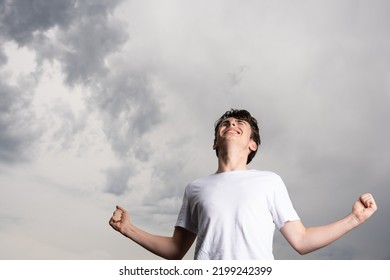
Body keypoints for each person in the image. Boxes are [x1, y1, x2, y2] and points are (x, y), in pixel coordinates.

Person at [109, 109, 377, 260]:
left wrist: (354, 218)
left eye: (240, 123)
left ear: (253, 145)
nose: (231, 124)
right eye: (225, 123)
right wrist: (129, 229)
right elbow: (177, 249)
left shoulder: (269, 181)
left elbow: (302, 240)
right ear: (215, 141)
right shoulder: (195, 188)